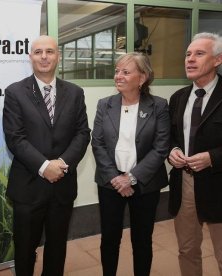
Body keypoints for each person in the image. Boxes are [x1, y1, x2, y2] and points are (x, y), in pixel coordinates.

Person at [3, 35, 91, 276]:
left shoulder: (75, 92)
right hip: (28, 187)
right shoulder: (15, 92)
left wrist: (61, 164)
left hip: (62, 187)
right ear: (30, 56)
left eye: (50, 51)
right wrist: (44, 166)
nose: (44, 56)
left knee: (56, 247)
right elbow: (15, 137)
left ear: (58, 56)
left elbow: (83, 133)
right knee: (24, 249)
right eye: (38, 52)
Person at [91, 52, 170, 276]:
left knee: (142, 240)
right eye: (117, 71)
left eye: (126, 72)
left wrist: (132, 178)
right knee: (109, 238)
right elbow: (97, 143)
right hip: (110, 183)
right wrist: (115, 177)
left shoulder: (159, 106)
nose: (118, 76)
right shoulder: (104, 105)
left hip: (145, 184)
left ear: (142, 78)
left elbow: (161, 147)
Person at [168, 32, 222, 276]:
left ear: (218, 60)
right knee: (187, 250)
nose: (190, 59)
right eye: (188, 54)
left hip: (219, 183)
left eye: (199, 54)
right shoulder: (178, 98)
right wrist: (173, 151)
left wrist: (213, 157)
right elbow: (170, 136)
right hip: (185, 183)